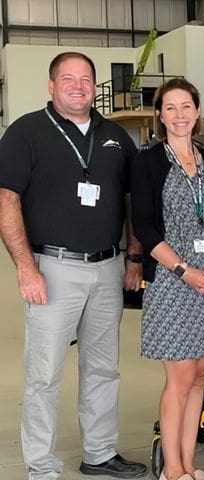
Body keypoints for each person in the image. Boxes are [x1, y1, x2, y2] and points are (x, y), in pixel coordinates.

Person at [0, 52, 147, 479]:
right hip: (52, 268)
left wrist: (133, 258)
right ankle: (41, 467)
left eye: (86, 79)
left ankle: (99, 454)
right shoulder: (25, 132)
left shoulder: (117, 137)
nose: (78, 85)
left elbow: (131, 203)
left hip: (107, 268)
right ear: (51, 85)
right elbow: (6, 200)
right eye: (68, 78)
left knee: (103, 368)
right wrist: (26, 267)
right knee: (43, 374)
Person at [131, 78, 204, 480]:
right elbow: (145, 227)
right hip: (175, 282)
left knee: (199, 379)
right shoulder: (149, 161)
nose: (179, 115)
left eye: (186, 106)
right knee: (179, 379)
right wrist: (185, 271)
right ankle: (172, 471)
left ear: (197, 111)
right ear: (160, 115)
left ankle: (190, 465)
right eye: (170, 108)